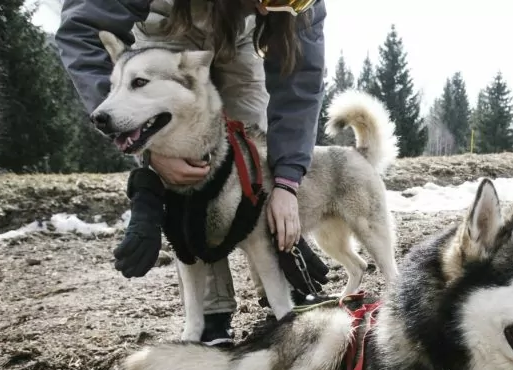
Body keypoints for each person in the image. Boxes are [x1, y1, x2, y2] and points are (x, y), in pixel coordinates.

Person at [56, 0, 326, 346]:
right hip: (167, 27)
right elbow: (83, 29)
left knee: (250, 155)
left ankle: (282, 292)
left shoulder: (296, 7)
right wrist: (154, 149)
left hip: (239, 37)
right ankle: (212, 313)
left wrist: (286, 183)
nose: (268, 7)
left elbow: (300, 85)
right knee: (189, 159)